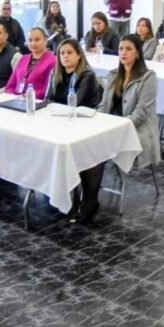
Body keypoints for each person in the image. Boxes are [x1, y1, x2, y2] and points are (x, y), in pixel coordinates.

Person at [47, 39, 105, 223]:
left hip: (85, 125)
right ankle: (59, 194)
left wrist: (55, 109)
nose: (65, 56)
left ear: (79, 55)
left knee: (86, 153)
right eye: (62, 53)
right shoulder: (56, 73)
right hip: (60, 123)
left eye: (69, 52)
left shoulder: (87, 75)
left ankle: (89, 201)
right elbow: (48, 99)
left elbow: (75, 103)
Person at [99, 33, 160, 170]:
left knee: (97, 146)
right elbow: (103, 105)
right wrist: (98, 121)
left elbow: (141, 113)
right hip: (112, 124)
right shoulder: (113, 75)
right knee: (88, 142)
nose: (123, 52)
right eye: (121, 49)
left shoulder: (148, 77)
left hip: (135, 129)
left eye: (128, 49)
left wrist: (118, 126)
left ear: (137, 53)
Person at [4, 27, 56, 99]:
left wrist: (26, 96)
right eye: (30, 40)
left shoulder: (53, 61)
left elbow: (47, 90)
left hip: (36, 101)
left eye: (37, 40)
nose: (33, 43)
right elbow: (10, 86)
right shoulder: (23, 58)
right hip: (16, 100)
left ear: (45, 41)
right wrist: (13, 96)